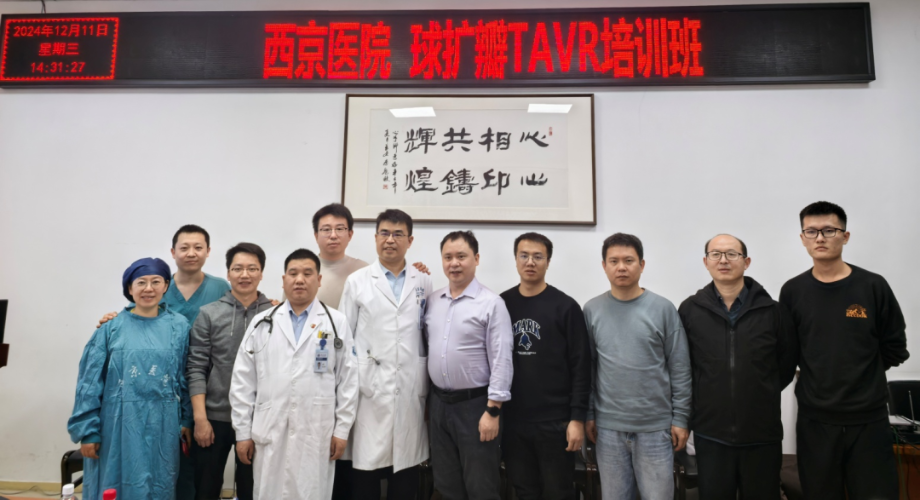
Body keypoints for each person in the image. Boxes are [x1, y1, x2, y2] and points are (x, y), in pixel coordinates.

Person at [779, 201, 908, 500]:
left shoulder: (873, 286)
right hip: (815, 420)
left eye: (829, 230)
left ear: (845, 236)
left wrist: (860, 373)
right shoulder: (793, 291)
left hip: (869, 419)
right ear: (802, 238)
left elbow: (895, 347)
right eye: (811, 232)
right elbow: (789, 351)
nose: (820, 238)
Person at [230, 248, 358, 500]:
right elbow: (242, 382)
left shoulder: (336, 323)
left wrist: (342, 431)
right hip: (270, 430)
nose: (300, 280)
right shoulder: (261, 323)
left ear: (319, 280)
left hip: (316, 431)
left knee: (311, 492)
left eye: (307, 274)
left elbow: (348, 381)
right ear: (283, 279)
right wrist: (242, 433)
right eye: (293, 273)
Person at [677, 234, 798, 499]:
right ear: (706, 262)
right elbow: (683, 366)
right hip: (711, 432)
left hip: (762, 433)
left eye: (732, 254)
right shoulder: (689, 310)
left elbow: (787, 364)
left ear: (746, 262)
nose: (723, 260)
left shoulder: (773, 311)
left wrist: (761, 391)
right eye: (716, 254)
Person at [68, 258, 192, 500]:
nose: (149, 289)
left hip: (163, 425)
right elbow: (89, 383)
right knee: (115, 483)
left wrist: (187, 418)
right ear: (129, 288)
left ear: (166, 286)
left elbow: (185, 375)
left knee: (159, 481)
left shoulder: (179, 327)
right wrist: (88, 431)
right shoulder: (110, 328)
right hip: (117, 423)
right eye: (141, 282)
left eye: (156, 282)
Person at [584, 233, 691, 500]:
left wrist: (681, 418)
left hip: (656, 428)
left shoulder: (663, 309)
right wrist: (589, 413)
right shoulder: (592, 310)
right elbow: (588, 369)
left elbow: (679, 367)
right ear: (604, 266)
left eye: (629, 260)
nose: (621, 267)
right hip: (608, 428)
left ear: (642, 265)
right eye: (614, 261)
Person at [338, 209, 433, 500]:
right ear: (376, 237)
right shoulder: (357, 281)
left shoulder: (423, 280)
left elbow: (426, 335)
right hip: (369, 389)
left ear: (410, 240)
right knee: (365, 472)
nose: (390, 240)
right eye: (384, 233)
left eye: (398, 234)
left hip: (409, 388)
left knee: (405, 474)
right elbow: (344, 339)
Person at [499, 232, 590, 500]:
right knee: (524, 491)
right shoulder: (501, 304)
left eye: (538, 256)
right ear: (516, 260)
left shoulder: (566, 307)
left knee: (558, 492)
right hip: (514, 420)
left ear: (548, 262)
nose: (530, 262)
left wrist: (577, 419)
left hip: (556, 422)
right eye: (524, 256)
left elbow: (581, 366)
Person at [425, 230, 514, 500]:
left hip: (476, 407)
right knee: (446, 484)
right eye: (448, 257)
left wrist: (493, 411)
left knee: (481, 486)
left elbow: (502, 359)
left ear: (476, 259)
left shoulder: (492, 303)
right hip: (439, 405)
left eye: (461, 256)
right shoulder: (432, 301)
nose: (454, 263)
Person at [187, 243, 275, 500]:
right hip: (214, 418)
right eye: (238, 268)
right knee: (206, 489)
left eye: (252, 268)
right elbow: (196, 368)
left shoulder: (275, 314)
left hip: (259, 418)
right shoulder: (208, 314)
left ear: (261, 273)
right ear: (228, 273)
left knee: (252, 490)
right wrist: (200, 419)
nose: (244, 275)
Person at [313, 203, 370, 310]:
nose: (333, 236)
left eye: (339, 229)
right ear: (316, 236)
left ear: (350, 235)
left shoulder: (364, 270)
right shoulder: (303, 270)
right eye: (326, 229)